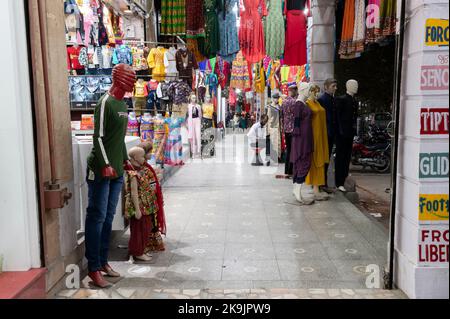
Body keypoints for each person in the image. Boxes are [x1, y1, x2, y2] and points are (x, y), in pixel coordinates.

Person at [137, 141, 166, 251]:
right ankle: (150, 243)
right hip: (148, 201)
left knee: (152, 221)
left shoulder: (146, 167)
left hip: (150, 200)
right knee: (151, 222)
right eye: (149, 152)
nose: (151, 153)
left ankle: (151, 242)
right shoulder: (144, 169)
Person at [318, 78, 338, 193]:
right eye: (333, 86)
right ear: (326, 87)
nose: (335, 88)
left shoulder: (333, 99)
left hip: (331, 133)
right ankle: (321, 183)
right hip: (324, 133)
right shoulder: (322, 99)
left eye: (335, 86)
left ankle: (323, 183)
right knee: (323, 159)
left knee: (327, 158)